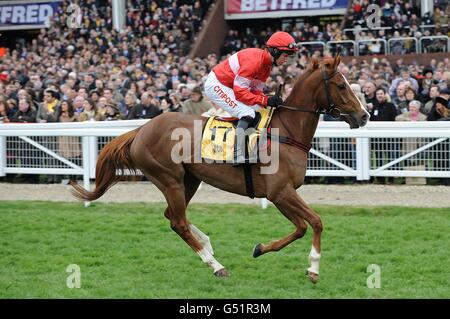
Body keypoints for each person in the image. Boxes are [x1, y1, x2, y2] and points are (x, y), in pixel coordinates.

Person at [203, 31, 298, 165]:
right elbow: (240, 92)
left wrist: (268, 100)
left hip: (231, 86)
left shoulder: (267, 66)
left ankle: (252, 147)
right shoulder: (254, 62)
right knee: (247, 112)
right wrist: (265, 100)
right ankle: (237, 154)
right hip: (217, 84)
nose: (286, 59)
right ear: (275, 51)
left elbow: (255, 91)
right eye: (285, 55)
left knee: (260, 109)